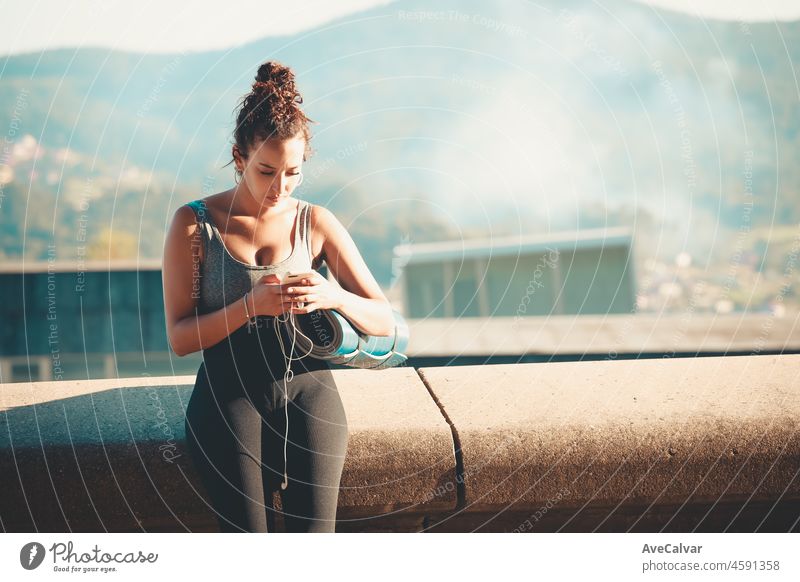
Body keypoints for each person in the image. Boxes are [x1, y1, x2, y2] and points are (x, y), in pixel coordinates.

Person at [161, 60, 395, 532]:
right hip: (229, 395)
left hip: (310, 390)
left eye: (293, 172)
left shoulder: (316, 221)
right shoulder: (194, 224)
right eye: (267, 170)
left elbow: (384, 321)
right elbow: (181, 338)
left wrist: (334, 296)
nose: (280, 187)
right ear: (239, 156)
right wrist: (250, 306)